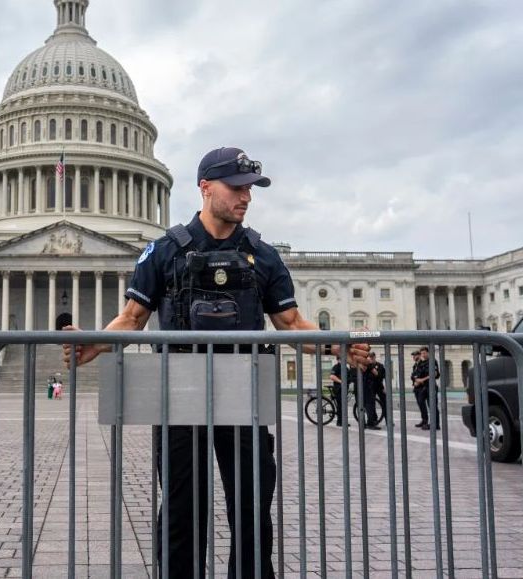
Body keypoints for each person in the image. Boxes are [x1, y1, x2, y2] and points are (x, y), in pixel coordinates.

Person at [61, 147, 370, 579]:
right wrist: (98, 343)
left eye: (250, 189)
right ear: (205, 187)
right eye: (237, 187)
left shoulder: (263, 255)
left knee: (251, 506)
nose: (246, 197)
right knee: (182, 507)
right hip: (180, 395)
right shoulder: (164, 251)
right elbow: (133, 317)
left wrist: (338, 346)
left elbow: (291, 322)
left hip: (243, 393)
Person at [413, 346, 440, 430]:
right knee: (421, 402)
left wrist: (422, 380)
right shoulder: (421, 363)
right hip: (423, 387)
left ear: (428, 353)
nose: (423, 355)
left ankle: (435, 424)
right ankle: (425, 421)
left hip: (430, 386)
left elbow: (434, 374)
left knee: (432, 405)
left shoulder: (432, 361)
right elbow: (416, 373)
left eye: (424, 353)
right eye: (422, 353)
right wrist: (416, 380)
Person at [329, 359, 357, 427]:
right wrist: (341, 382)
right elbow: (332, 376)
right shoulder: (336, 367)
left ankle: (342, 421)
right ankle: (340, 422)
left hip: (344, 390)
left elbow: (349, 377)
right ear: (338, 360)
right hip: (338, 389)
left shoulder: (346, 368)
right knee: (341, 406)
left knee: (342, 406)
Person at [362, 351, 386, 429]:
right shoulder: (366, 365)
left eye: (372, 357)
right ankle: (373, 420)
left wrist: (384, 387)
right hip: (370, 387)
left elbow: (381, 376)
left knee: (384, 403)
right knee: (371, 404)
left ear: (375, 357)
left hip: (379, 386)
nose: (371, 359)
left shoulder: (380, 366)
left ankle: (387, 420)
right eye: (370, 357)